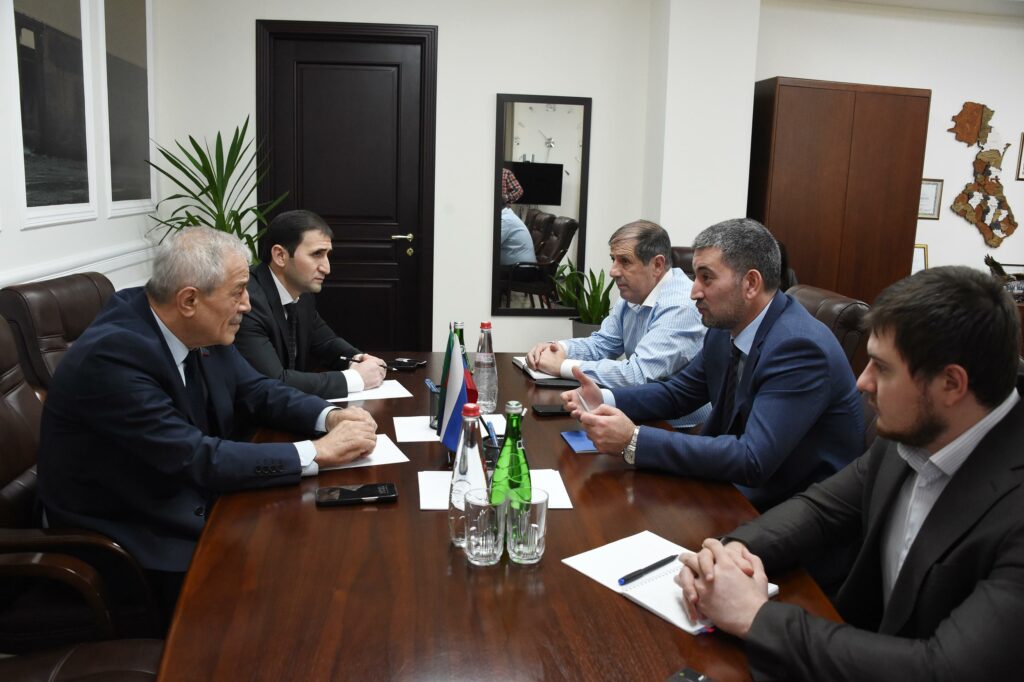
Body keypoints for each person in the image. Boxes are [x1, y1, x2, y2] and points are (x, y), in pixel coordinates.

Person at [675, 266, 1024, 681]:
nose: (862, 382)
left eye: (882, 368)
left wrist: (754, 616)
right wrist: (727, 554)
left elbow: (943, 669)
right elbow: (819, 511)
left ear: (951, 384)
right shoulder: (916, 432)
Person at [37, 227, 378, 608]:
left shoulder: (192, 325)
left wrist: (329, 417)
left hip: (187, 494)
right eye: (238, 292)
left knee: (314, 547)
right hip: (129, 532)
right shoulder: (113, 358)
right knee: (287, 584)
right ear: (189, 300)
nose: (247, 305)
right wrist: (317, 452)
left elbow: (258, 390)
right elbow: (195, 456)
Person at [563, 218, 862, 511]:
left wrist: (634, 440)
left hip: (789, 509)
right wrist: (605, 398)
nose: (694, 291)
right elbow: (677, 394)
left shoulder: (798, 347)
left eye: (706, 278)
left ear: (751, 283)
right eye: (695, 277)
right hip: (731, 486)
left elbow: (752, 458)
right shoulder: (723, 329)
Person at [528, 220, 708, 395]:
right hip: (641, 405)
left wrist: (562, 366)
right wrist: (559, 349)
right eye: (613, 259)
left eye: (625, 261)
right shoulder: (635, 293)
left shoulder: (680, 306)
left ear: (657, 265)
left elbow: (637, 375)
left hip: (677, 416)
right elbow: (603, 343)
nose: (613, 271)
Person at [235, 209, 386, 399]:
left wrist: (358, 360)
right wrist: (355, 379)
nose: (326, 268)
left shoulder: (302, 293)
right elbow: (274, 382)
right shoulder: (248, 300)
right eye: (317, 254)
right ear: (280, 255)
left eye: (327, 255)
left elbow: (326, 342)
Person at [499, 168, 537, 267]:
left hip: (520, 271)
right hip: (515, 268)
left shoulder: (506, 220)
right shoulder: (506, 216)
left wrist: (506, 198)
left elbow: (491, 245)